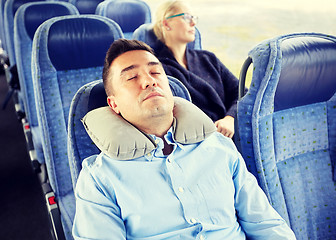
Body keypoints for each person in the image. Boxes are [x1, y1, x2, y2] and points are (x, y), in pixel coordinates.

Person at [72, 39, 296, 240]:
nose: (149, 82)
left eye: (155, 73)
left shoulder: (220, 149)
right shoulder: (99, 179)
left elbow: (266, 224)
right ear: (114, 105)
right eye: (132, 77)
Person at [153, 0, 239, 138]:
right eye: (186, 17)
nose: (193, 23)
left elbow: (241, 92)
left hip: (231, 132)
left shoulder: (208, 58)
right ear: (166, 23)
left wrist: (230, 118)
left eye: (193, 18)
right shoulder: (158, 70)